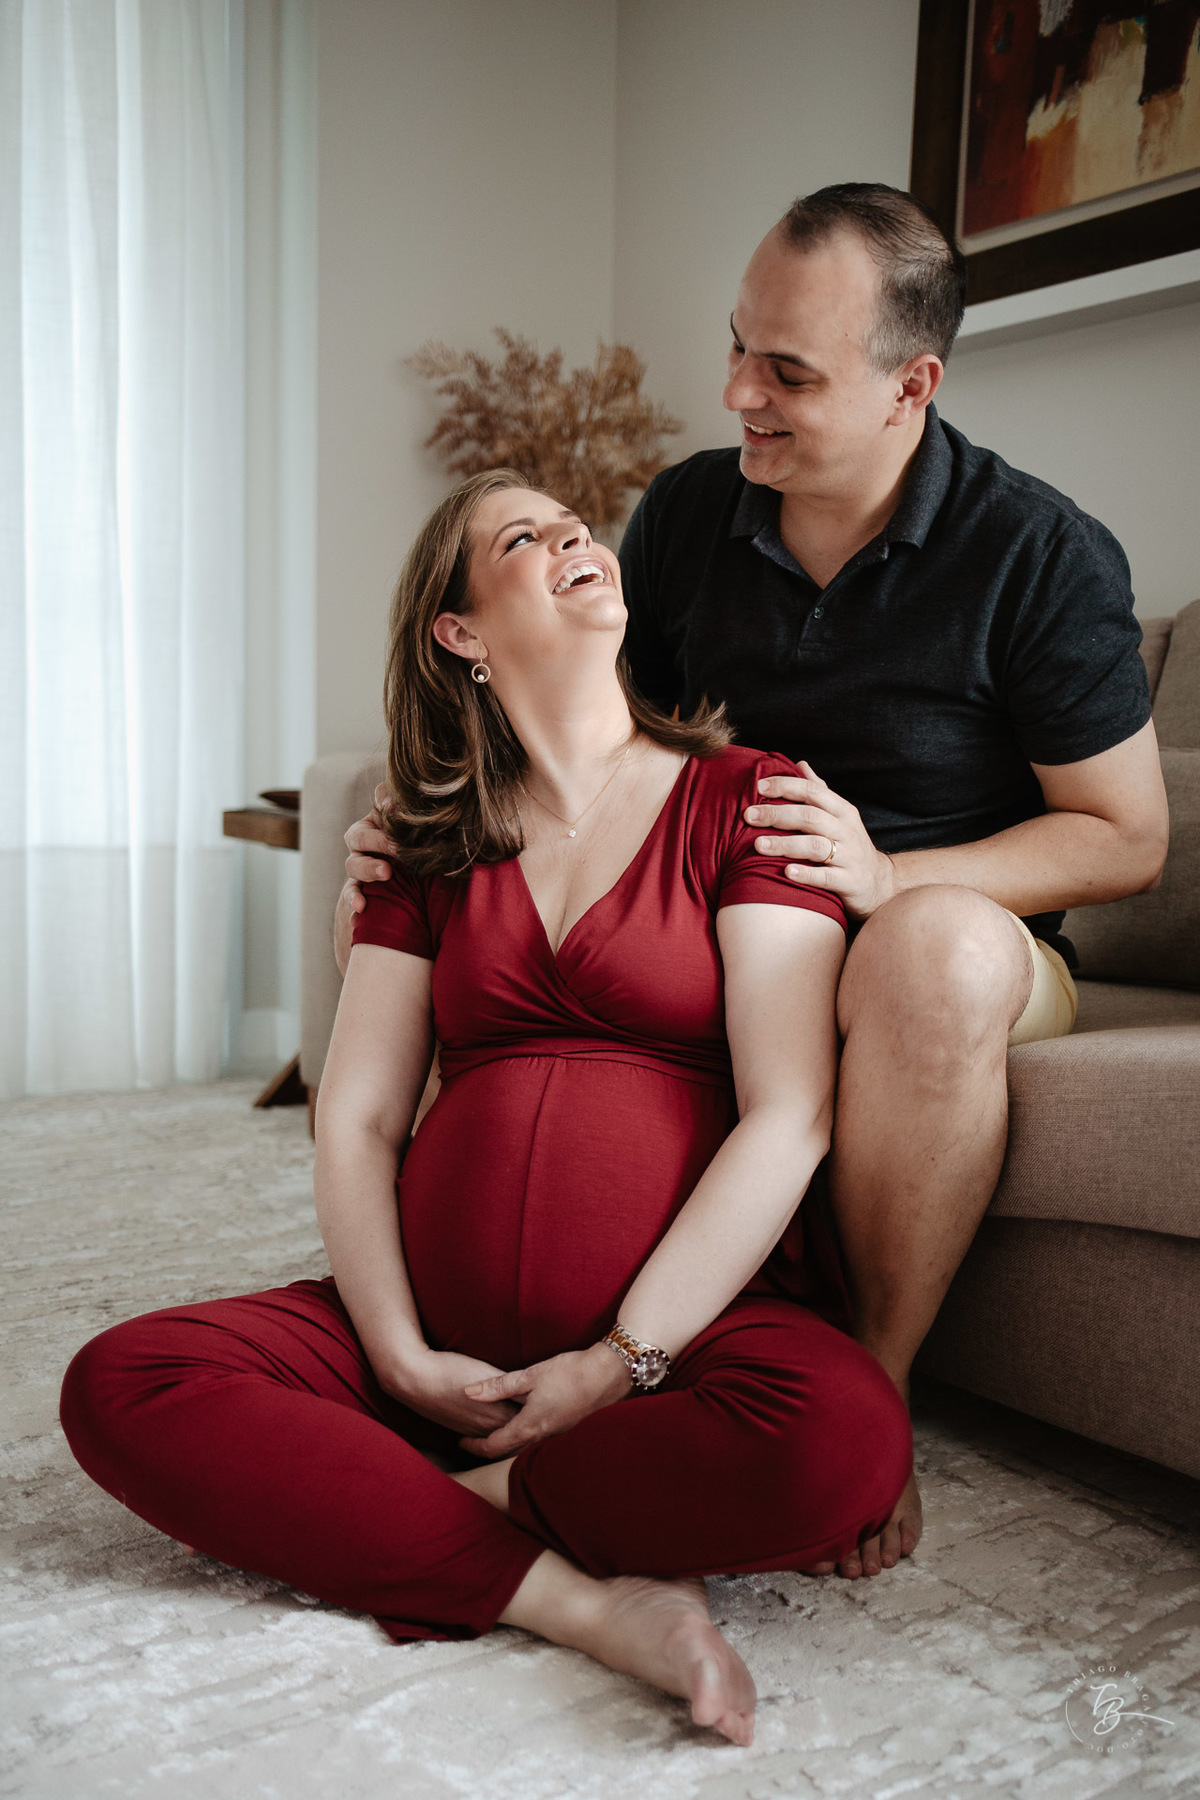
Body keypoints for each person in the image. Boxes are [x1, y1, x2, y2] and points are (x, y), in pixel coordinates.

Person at [338, 184, 1170, 1585]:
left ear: (911, 386)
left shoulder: (1038, 553)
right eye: (738, 345)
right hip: (720, 903)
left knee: (933, 950)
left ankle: (875, 1380)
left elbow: (1126, 837)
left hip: (942, 931)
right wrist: (428, 820)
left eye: (787, 373)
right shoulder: (689, 514)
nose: (736, 394)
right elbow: (595, 727)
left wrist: (888, 873)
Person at [61, 470, 912, 1747]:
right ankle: (584, 1599)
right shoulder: (422, 838)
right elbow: (356, 1119)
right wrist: (398, 1353)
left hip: (678, 1347)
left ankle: (424, 1503)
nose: (576, 538)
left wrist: (617, 1365)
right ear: (459, 631)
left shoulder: (748, 796)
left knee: (843, 1443)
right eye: (525, 536)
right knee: (123, 1381)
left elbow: (789, 1114)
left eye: (578, 525)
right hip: (431, 1347)